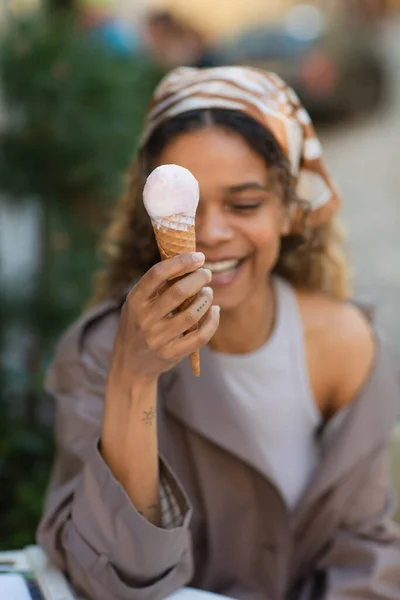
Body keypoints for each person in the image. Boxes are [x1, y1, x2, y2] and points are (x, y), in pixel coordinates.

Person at [37, 67, 400, 600]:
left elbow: (364, 553)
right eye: (187, 207)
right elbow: (110, 579)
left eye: (245, 204)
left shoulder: (349, 345)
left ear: (289, 210)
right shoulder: (98, 353)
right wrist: (133, 377)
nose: (210, 233)